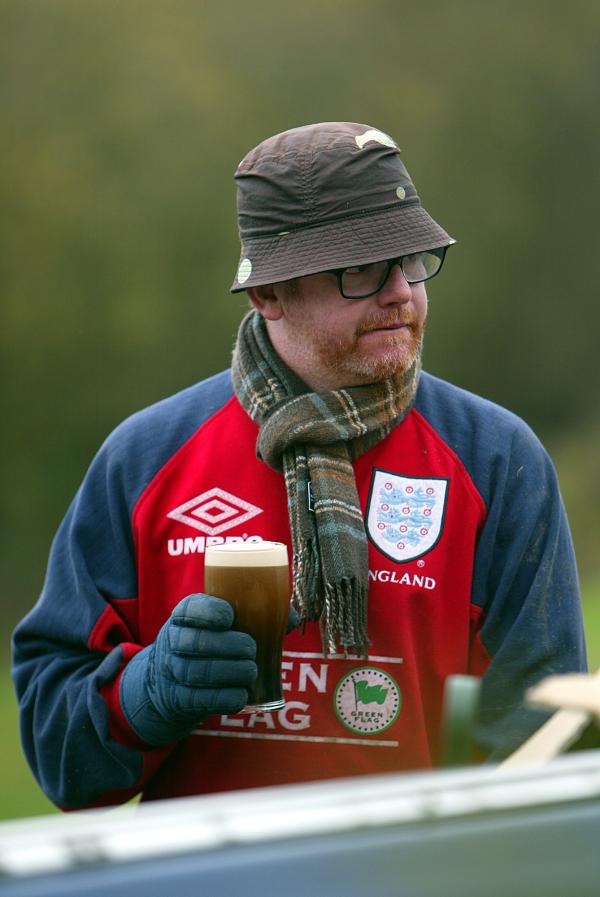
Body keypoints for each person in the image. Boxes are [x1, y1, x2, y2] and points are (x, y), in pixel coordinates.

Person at [12, 121, 586, 810]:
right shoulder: (145, 462)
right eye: (363, 268)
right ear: (269, 294)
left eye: (413, 259)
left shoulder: (497, 462)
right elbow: (59, 760)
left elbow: (546, 754)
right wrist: (144, 696)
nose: (401, 291)